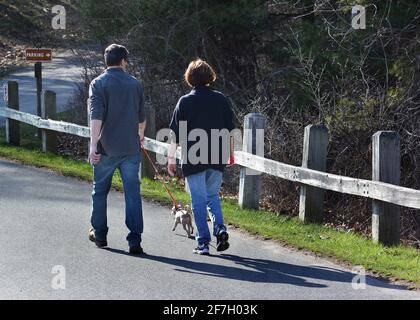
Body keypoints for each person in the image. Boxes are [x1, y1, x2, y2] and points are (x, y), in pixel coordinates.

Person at [167, 58, 235, 255]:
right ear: (209, 77)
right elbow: (230, 130)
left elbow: (175, 135)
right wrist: (230, 154)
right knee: (212, 196)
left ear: (190, 78)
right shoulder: (220, 99)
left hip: (193, 156)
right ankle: (220, 229)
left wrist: (171, 159)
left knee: (198, 200)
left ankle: (203, 242)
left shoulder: (185, 102)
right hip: (217, 154)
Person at [88, 44, 146, 255]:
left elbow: (96, 116)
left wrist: (93, 145)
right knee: (132, 193)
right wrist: (139, 136)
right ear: (123, 61)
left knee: (100, 191)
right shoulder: (135, 84)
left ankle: (100, 234)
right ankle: (134, 240)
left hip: (106, 149)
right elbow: (142, 118)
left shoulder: (98, 84)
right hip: (130, 149)